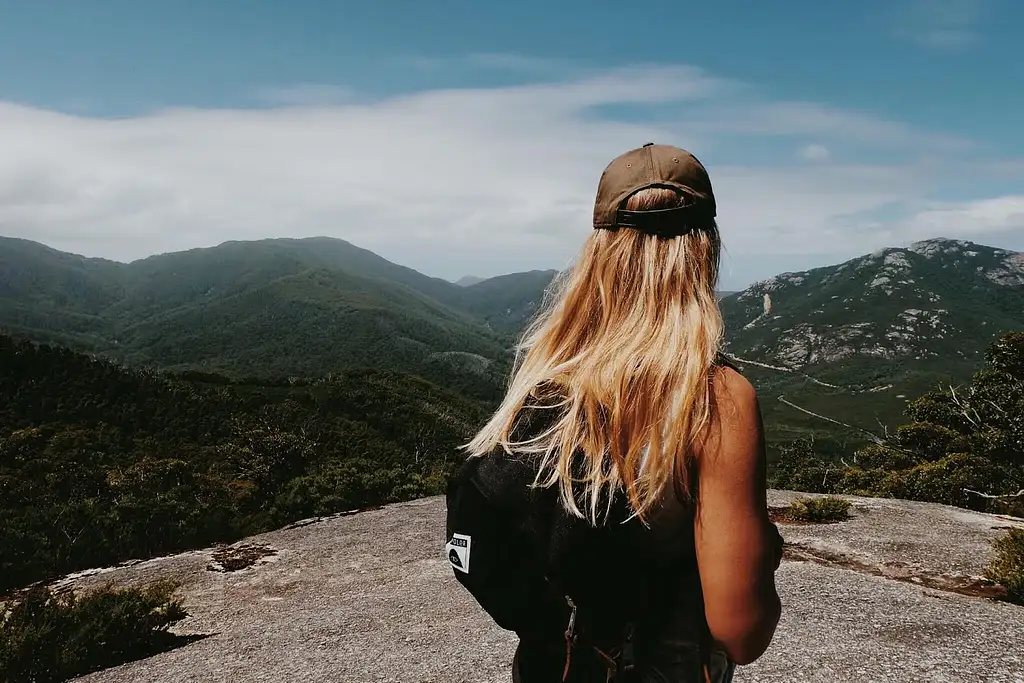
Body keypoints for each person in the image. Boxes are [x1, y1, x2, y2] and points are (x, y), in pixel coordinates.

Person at [451, 143, 784, 682]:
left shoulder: (547, 376)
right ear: (707, 248)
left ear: (600, 249)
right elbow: (741, 632)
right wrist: (764, 552)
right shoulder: (713, 398)